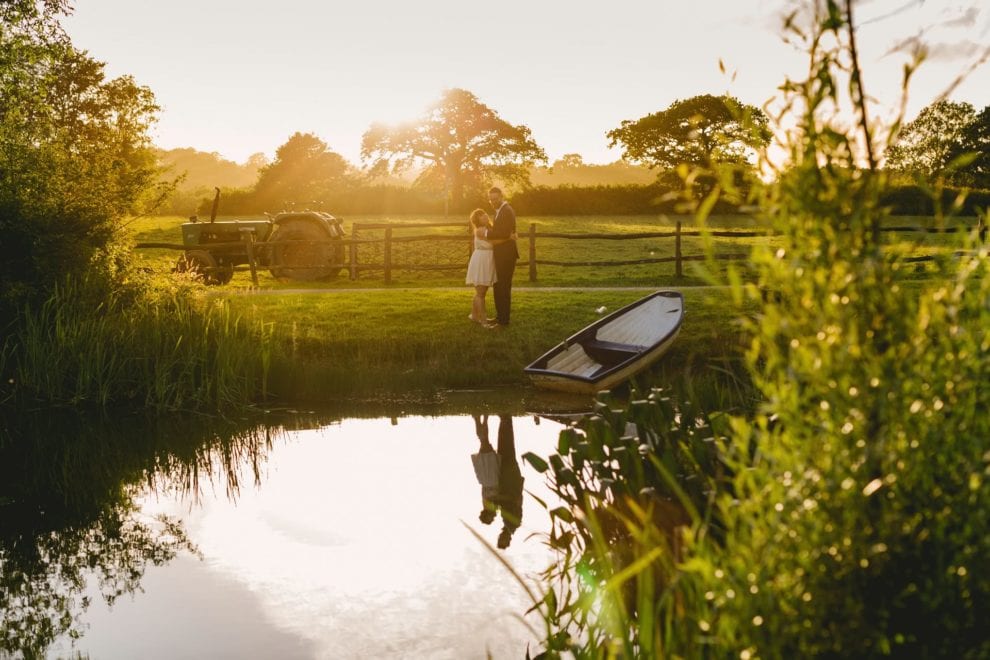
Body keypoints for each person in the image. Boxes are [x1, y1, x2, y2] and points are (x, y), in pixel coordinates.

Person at [471, 414, 524, 549]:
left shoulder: (507, 523)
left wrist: (497, 502)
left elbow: (509, 501)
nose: (501, 537)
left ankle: (504, 419)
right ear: (508, 540)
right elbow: (514, 499)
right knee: (507, 448)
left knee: (504, 448)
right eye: (503, 540)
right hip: (510, 479)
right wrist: (498, 500)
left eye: (499, 539)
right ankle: (505, 419)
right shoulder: (512, 524)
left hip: (506, 478)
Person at [486, 187, 518, 329]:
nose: (493, 202)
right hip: (501, 255)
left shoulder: (507, 210)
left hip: (506, 256)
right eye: (491, 199)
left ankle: (503, 322)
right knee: (498, 286)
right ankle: (499, 317)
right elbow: (501, 232)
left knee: (503, 287)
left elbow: (504, 233)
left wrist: (485, 233)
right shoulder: (499, 211)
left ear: (501, 196)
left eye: (495, 199)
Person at [465, 209, 497, 324]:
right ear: (477, 220)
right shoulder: (480, 230)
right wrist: (510, 237)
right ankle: (484, 321)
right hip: (481, 260)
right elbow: (495, 241)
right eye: (481, 216)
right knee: (481, 293)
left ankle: (474, 315)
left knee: (481, 292)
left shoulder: (488, 228)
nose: (485, 217)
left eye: (485, 215)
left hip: (487, 259)